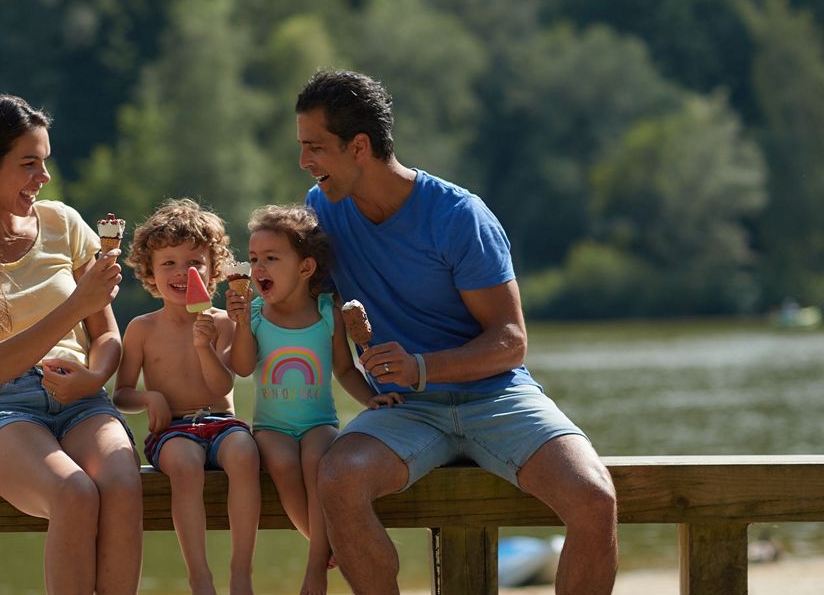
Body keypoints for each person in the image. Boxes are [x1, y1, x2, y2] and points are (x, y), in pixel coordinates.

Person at [296, 69, 619, 593]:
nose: (306, 163)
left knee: (595, 498)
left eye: (315, 148)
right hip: (405, 410)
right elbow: (298, 299)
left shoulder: (458, 216)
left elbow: (511, 341)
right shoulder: (321, 211)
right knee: (338, 477)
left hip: (497, 397)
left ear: (358, 146)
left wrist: (422, 367)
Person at [0, 94, 142, 594]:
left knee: (123, 483)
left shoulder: (64, 224)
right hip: (0, 410)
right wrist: (77, 304)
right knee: (75, 493)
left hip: (82, 397)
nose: (44, 177)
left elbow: (106, 336)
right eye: (29, 164)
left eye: (46, 163)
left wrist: (95, 376)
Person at [225, 204, 384, 595]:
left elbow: (345, 370)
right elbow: (242, 368)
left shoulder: (328, 312)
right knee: (279, 460)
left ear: (305, 268)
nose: (258, 268)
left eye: (271, 258)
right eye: (253, 259)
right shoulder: (256, 312)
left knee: (317, 458)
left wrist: (372, 400)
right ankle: (328, 545)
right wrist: (241, 325)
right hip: (270, 427)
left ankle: (316, 568)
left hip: (319, 422)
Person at [114, 199, 261, 595]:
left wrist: (204, 346)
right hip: (173, 431)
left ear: (214, 271)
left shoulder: (223, 322)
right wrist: (149, 399)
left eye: (194, 263)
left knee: (246, 454)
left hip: (222, 421)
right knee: (184, 464)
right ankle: (199, 576)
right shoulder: (141, 329)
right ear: (149, 272)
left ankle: (241, 572)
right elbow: (120, 394)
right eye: (169, 264)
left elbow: (222, 388)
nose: (182, 273)